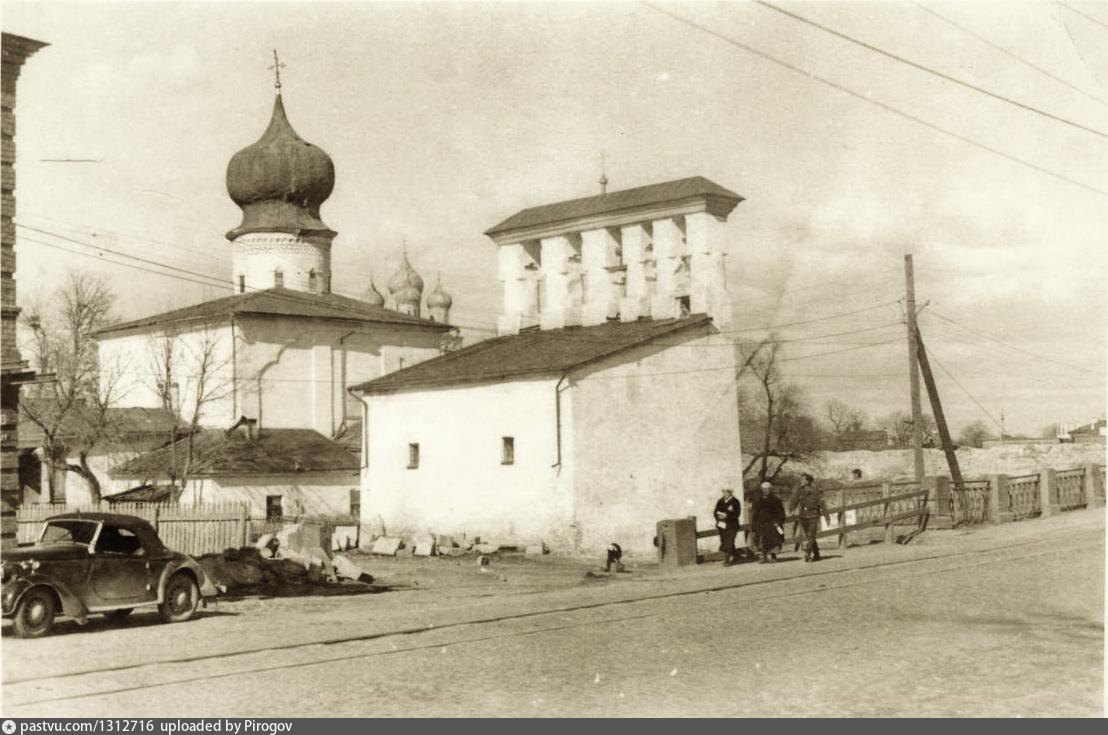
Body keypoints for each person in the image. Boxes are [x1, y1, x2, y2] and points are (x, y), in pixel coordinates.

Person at [789, 473, 831, 562]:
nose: (801, 481)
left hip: (813, 516)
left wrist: (827, 517)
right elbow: (794, 500)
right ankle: (817, 555)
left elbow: (822, 505)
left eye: (803, 479)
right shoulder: (800, 491)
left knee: (811, 535)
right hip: (803, 516)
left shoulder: (816, 491)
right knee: (809, 536)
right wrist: (792, 510)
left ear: (808, 481)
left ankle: (807, 552)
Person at [752, 481, 786, 563]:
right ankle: (764, 557)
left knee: (775, 538)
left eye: (767, 489)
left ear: (771, 489)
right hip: (762, 523)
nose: (765, 491)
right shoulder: (758, 500)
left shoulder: (776, 500)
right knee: (762, 540)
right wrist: (754, 524)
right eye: (764, 489)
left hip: (773, 523)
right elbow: (755, 512)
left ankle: (773, 556)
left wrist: (778, 521)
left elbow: (781, 513)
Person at [713, 488, 741, 565]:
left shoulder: (735, 501)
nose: (725, 494)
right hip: (722, 525)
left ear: (730, 493)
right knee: (724, 541)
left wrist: (727, 516)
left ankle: (727, 560)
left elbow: (737, 514)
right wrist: (719, 517)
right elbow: (715, 512)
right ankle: (736, 555)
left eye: (726, 492)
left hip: (732, 525)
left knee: (729, 541)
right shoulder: (720, 501)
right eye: (723, 492)